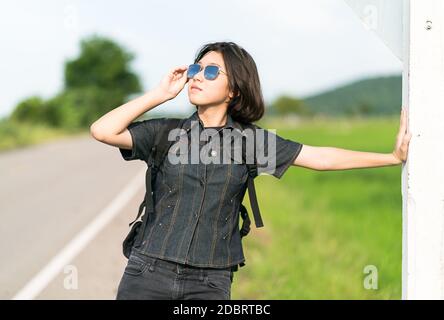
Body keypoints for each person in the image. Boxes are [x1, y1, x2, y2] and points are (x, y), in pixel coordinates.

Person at [90, 41, 412, 300]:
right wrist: (160, 95)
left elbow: (320, 158)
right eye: (196, 68)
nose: (198, 76)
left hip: (210, 282)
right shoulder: (165, 133)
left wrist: (391, 157)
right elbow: (102, 130)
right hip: (148, 273)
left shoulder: (250, 142)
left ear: (233, 91)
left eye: (212, 71)